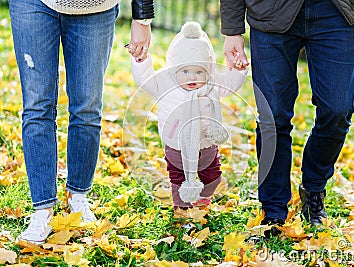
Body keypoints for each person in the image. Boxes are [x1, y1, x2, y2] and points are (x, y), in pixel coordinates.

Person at [220, 0, 354, 234]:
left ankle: (314, 188)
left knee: (337, 111)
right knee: (273, 115)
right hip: (269, 11)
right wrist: (232, 29)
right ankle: (273, 209)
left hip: (336, 11)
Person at [9, 0, 154, 244]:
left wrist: (142, 18)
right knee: (37, 106)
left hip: (95, 8)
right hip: (32, 4)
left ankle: (77, 195)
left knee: (87, 107)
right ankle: (42, 209)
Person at [130, 21, 248, 210]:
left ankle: (204, 199)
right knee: (178, 177)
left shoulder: (211, 83)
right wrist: (141, 61)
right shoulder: (165, 83)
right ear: (175, 69)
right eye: (185, 71)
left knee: (212, 175)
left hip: (206, 143)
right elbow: (144, 79)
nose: (192, 77)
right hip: (176, 143)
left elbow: (230, 84)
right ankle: (181, 207)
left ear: (207, 71)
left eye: (198, 71)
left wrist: (239, 69)